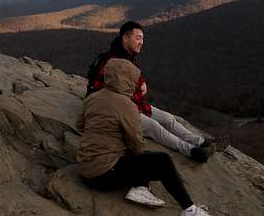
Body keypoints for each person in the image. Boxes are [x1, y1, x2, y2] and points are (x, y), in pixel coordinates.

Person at [78, 58, 211, 216]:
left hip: (85, 168)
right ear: (125, 80)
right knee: (162, 161)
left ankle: (140, 188)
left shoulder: (93, 97)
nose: (135, 83)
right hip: (103, 175)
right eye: (132, 79)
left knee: (137, 156)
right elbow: (136, 143)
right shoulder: (126, 105)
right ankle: (189, 210)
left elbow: (80, 124)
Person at [86, 21, 229, 163]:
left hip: (133, 104)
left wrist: (141, 83)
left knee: (168, 118)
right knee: (154, 127)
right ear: (125, 38)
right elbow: (112, 94)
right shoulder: (113, 61)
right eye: (138, 38)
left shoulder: (126, 56)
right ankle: (193, 151)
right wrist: (138, 92)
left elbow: (133, 80)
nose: (141, 42)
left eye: (142, 38)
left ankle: (201, 142)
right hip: (115, 111)